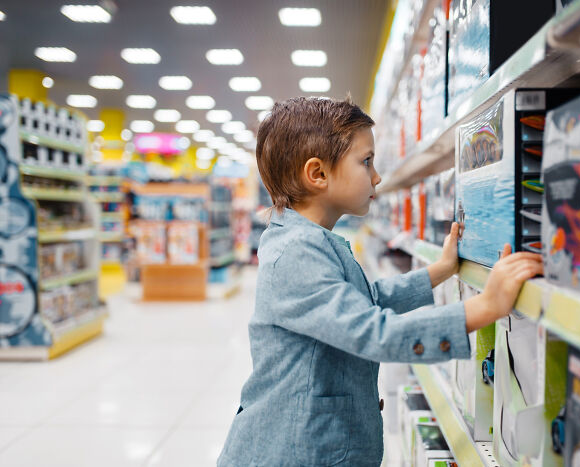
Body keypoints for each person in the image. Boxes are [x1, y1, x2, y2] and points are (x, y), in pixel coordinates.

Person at [217, 97, 543, 466]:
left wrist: (439, 271)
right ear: (318, 174)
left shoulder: (309, 240)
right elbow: (375, 334)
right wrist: (485, 306)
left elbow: (365, 299)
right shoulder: (296, 253)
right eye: (366, 161)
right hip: (292, 453)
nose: (377, 176)